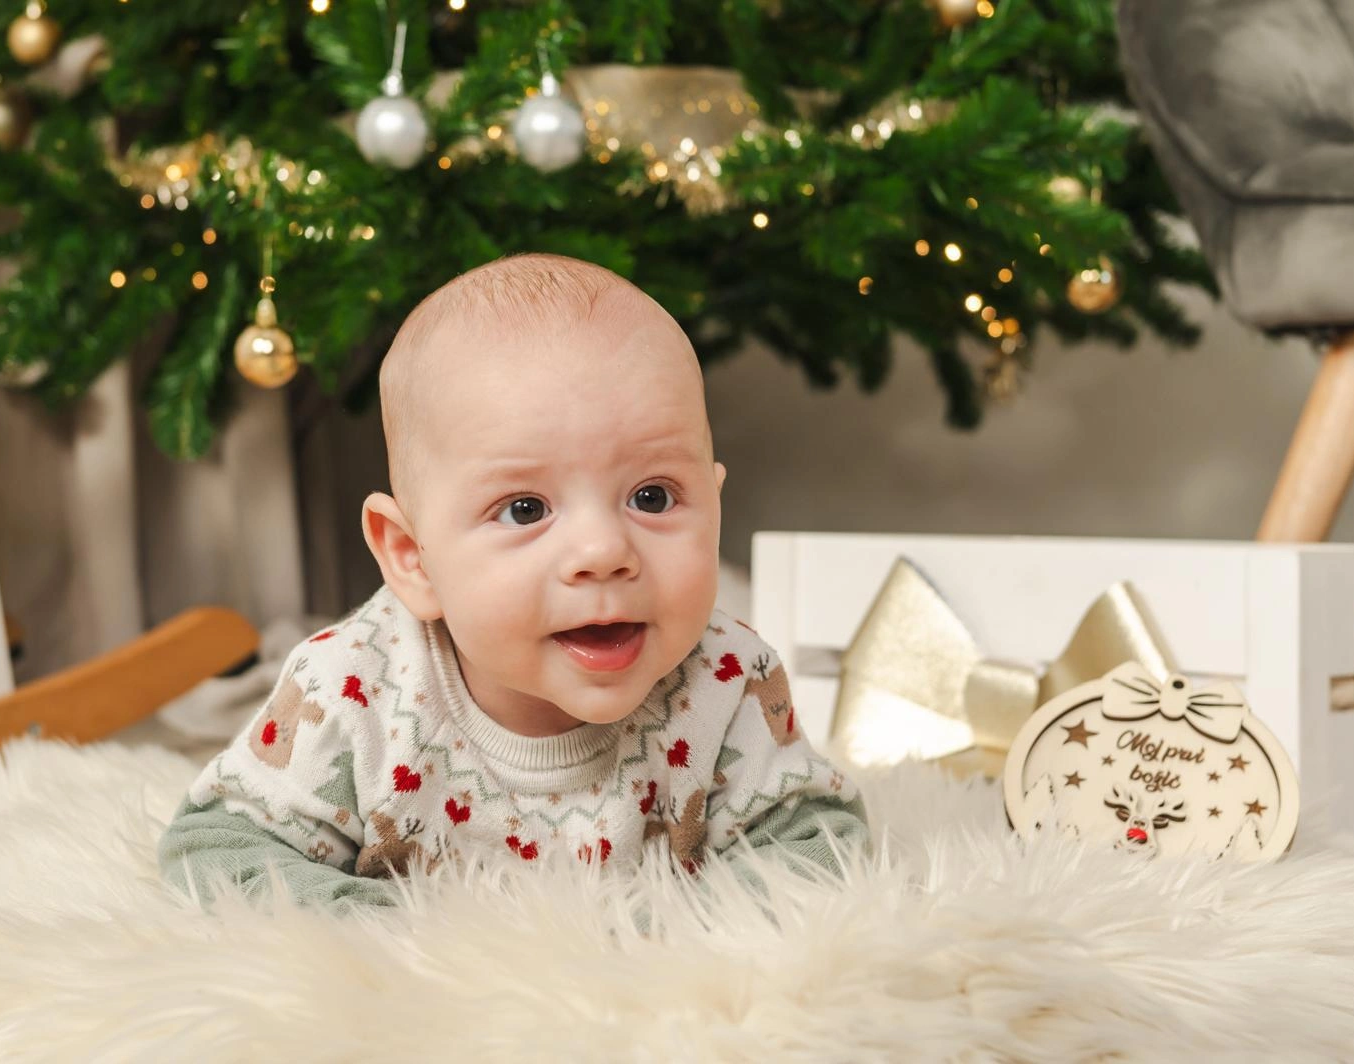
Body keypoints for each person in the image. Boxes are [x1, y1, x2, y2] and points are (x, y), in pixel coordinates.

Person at [158, 252, 869, 911]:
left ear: (714, 505)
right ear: (412, 556)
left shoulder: (726, 678)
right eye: (525, 509)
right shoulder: (354, 689)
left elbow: (818, 843)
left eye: (652, 497)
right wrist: (399, 946)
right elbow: (219, 849)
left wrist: (663, 940)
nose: (604, 552)